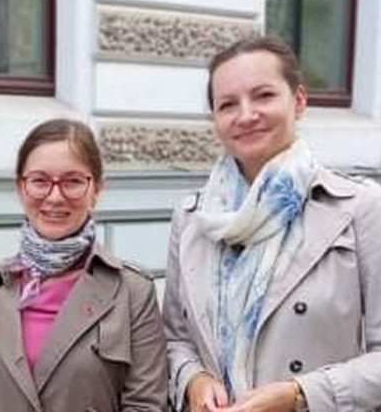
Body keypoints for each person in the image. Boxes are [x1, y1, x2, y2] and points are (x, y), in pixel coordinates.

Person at [163, 36, 381, 412]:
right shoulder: (192, 219)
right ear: (215, 118)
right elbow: (175, 340)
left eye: (263, 96)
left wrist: (300, 393)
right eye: (228, 104)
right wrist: (193, 379)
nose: (246, 115)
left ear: (298, 100)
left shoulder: (359, 208)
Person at [0, 118, 168, 412]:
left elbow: (146, 404)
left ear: (97, 188)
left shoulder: (133, 292)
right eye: (39, 181)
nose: (54, 197)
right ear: (20, 187)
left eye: (72, 181)